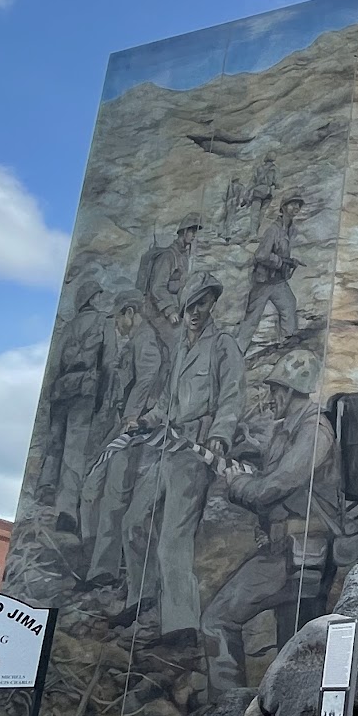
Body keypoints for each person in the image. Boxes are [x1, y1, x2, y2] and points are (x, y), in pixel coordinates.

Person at [201, 349, 340, 698]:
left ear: (293, 390)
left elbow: (275, 486)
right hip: (286, 551)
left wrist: (238, 486)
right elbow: (270, 479)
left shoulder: (315, 429)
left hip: (302, 554)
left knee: (217, 620)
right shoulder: (286, 430)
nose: (271, 397)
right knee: (292, 651)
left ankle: (227, 708)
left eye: (277, 389)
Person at [121, 271, 244, 643]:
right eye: (189, 305)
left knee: (173, 539)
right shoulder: (179, 349)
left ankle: (181, 625)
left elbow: (231, 398)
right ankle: (141, 599)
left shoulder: (223, 345)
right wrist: (144, 421)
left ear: (211, 304)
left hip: (195, 450)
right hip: (165, 444)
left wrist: (220, 438)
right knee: (133, 521)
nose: (194, 312)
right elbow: (165, 403)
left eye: (201, 304)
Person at [82, 290, 165, 589]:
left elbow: (147, 377)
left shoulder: (146, 340)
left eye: (119, 316)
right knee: (100, 491)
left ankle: (105, 570)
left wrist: (131, 418)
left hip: (136, 429)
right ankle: (101, 565)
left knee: (115, 495)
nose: (118, 323)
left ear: (129, 312)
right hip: (127, 425)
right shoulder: (139, 339)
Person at [38, 279, 109, 534]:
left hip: (62, 388)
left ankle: (46, 489)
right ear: (91, 299)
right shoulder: (103, 322)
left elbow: (54, 365)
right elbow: (108, 363)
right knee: (74, 450)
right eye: (98, 295)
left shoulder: (68, 328)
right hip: (85, 389)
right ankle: (66, 511)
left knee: (56, 443)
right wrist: (102, 397)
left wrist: (50, 393)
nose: (101, 299)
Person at [237, 194, 303, 352]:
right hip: (263, 282)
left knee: (289, 305)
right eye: (291, 204)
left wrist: (290, 262)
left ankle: (287, 341)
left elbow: (281, 253)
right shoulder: (273, 230)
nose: (295, 208)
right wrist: (280, 262)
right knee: (252, 319)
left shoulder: (290, 229)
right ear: (283, 207)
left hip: (277, 281)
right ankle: (238, 350)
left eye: (298, 205)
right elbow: (261, 255)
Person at [139, 214, 200, 346]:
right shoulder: (168, 256)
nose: (194, 235)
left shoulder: (183, 256)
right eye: (192, 231)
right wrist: (170, 310)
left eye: (195, 232)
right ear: (184, 232)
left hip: (173, 310)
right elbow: (157, 287)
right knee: (178, 340)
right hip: (157, 312)